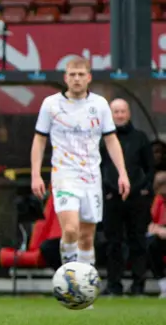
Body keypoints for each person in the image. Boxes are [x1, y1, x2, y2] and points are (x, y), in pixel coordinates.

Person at [30, 57, 129, 288]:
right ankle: (69, 280)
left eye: (80, 74)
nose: (76, 79)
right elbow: (39, 140)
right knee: (71, 229)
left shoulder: (100, 105)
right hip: (64, 176)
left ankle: (84, 288)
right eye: (72, 74)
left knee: (86, 237)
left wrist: (122, 173)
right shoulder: (51, 105)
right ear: (65, 78)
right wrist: (36, 174)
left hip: (91, 178)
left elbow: (111, 139)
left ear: (89, 77)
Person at [100, 99, 154, 295]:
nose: (120, 115)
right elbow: (98, 167)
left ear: (129, 113)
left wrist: (142, 189)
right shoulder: (102, 139)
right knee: (113, 243)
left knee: (138, 241)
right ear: (110, 114)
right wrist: (105, 190)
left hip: (137, 199)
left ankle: (138, 285)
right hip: (111, 198)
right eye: (116, 112)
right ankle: (114, 285)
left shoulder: (140, 138)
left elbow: (150, 169)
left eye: (123, 111)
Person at [147, 172, 166, 298]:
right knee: (151, 245)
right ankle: (164, 286)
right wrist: (157, 230)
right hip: (160, 235)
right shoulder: (158, 200)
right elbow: (151, 224)